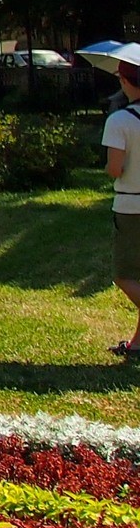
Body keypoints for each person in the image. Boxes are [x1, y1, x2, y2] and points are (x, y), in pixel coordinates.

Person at [103, 57, 140, 356]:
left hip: (131, 204)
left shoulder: (120, 121)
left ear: (127, 82)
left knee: (124, 274)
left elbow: (115, 169)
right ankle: (138, 343)